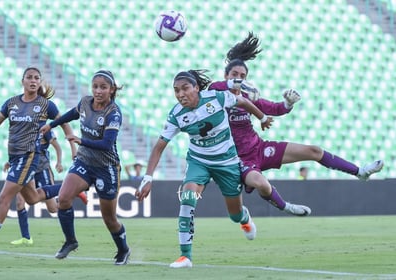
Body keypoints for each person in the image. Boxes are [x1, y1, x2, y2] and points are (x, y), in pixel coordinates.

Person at [208, 32, 384, 215]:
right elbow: (216, 87)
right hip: (238, 159)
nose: (239, 78)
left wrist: (288, 103)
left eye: (242, 76)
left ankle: (360, 172)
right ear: (225, 76)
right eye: (234, 75)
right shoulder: (215, 93)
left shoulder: (249, 97)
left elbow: (276, 109)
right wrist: (242, 86)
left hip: (258, 148)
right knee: (262, 184)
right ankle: (286, 206)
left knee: (314, 150)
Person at [135, 69, 272, 269]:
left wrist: (262, 117)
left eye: (185, 88)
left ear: (197, 88)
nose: (180, 94)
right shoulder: (176, 115)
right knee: (188, 198)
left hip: (226, 162)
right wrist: (147, 178)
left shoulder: (216, 98)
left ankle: (244, 218)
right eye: (176, 91)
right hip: (199, 162)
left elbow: (242, 101)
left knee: (234, 214)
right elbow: (158, 147)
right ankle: (185, 256)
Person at [39, 70, 130, 265]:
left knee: (109, 219)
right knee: (63, 198)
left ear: (112, 89)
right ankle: (70, 242)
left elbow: (107, 144)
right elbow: (72, 114)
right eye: (95, 86)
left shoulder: (113, 113)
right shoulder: (86, 102)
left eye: (103, 87)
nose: (98, 91)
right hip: (84, 162)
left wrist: (81, 140)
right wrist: (52, 125)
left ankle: (123, 249)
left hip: (106, 168)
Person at [0, 67, 76, 252]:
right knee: (32, 199)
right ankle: (73, 187)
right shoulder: (11, 104)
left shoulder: (46, 105)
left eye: (36, 78)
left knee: (4, 197)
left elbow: (65, 125)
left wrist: (73, 146)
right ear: (22, 81)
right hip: (15, 158)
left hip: (29, 157)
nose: (33, 81)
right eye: (29, 77)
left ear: (39, 82)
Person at [5, 130, 87, 246]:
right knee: (19, 202)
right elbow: (21, 151)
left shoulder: (45, 130)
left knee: (53, 208)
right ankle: (26, 237)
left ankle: (74, 192)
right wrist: (10, 162)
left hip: (42, 170)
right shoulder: (25, 127)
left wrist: (59, 162)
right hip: (27, 170)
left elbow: (58, 147)